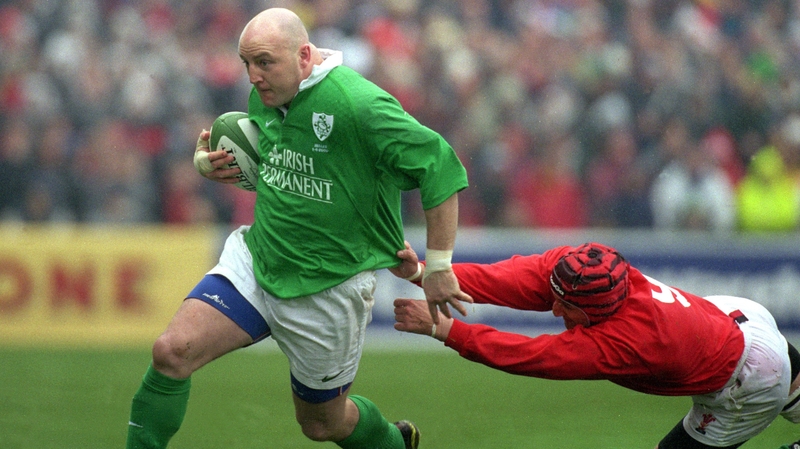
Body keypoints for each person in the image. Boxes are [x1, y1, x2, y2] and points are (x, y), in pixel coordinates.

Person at [125, 8, 472, 449]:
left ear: (305, 57)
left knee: (321, 425)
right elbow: (278, 165)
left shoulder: (359, 104)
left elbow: (439, 164)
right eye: (246, 63)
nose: (253, 76)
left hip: (329, 288)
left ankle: (390, 441)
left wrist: (439, 264)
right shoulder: (264, 97)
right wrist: (211, 166)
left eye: (265, 62)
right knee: (171, 352)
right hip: (260, 260)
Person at [390, 241, 800, 449]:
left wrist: (444, 330)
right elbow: (513, 278)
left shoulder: (627, 344)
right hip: (739, 319)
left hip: (746, 381)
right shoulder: (583, 266)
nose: (553, 311)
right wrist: (426, 272)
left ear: (596, 314)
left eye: (565, 308)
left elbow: (533, 357)